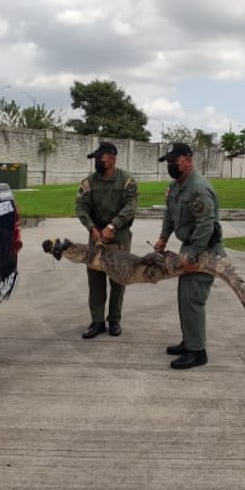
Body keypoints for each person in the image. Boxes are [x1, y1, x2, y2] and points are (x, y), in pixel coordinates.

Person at [154, 142, 223, 369]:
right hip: (190, 247)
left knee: (193, 300)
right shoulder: (177, 186)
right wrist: (164, 237)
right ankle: (190, 341)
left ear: (188, 160)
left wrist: (192, 256)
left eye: (175, 161)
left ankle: (198, 352)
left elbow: (206, 226)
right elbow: (170, 213)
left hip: (204, 250)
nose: (171, 165)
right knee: (185, 298)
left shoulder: (198, 188)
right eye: (169, 162)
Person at [75, 141, 138, 339]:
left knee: (119, 278)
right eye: (95, 158)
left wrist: (114, 225)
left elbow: (131, 206)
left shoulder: (127, 181)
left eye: (99, 158)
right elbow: (81, 207)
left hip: (118, 236)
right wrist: (92, 228)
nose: (97, 162)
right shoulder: (89, 182)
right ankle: (97, 321)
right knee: (95, 279)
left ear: (112, 158)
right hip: (96, 236)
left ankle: (115, 320)